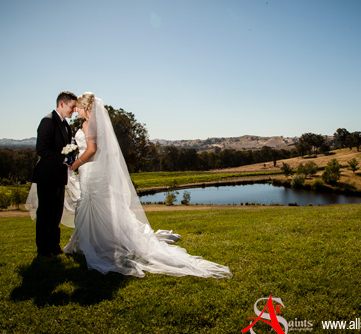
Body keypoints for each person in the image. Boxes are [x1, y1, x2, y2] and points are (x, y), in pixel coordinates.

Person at [62, 92, 232, 278]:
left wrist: (75, 163)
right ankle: (93, 243)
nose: (76, 110)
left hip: (90, 171)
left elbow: (92, 150)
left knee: (93, 205)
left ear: (85, 107)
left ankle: (94, 245)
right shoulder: (96, 125)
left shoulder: (88, 124)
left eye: (78, 106)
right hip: (93, 172)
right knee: (98, 206)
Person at [29, 91, 77, 257]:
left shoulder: (66, 125)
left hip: (59, 176)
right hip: (47, 175)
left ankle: (54, 246)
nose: (74, 111)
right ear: (62, 104)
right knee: (45, 213)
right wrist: (63, 159)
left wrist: (72, 158)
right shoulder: (47, 121)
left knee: (56, 212)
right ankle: (43, 249)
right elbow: (41, 149)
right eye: (72, 107)